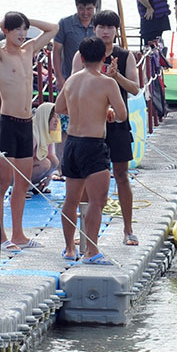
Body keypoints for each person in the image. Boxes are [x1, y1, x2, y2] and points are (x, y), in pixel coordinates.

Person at [0, 12, 57, 250]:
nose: (22, 34)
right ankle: (1, 237)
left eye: (24, 30)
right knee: (4, 183)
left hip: (27, 124)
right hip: (8, 124)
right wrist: (0, 23)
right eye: (17, 30)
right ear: (6, 31)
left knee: (23, 183)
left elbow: (53, 28)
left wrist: (29, 20)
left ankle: (19, 235)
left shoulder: (29, 50)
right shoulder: (0, 56)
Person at [55, 36, 127, 264]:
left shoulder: (72, 80)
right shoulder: (107, 82)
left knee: (71, 199)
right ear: (104, 57)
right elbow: (122, 114)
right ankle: (91, 250)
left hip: (72, 144)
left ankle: (69, 248)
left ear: (82, 57)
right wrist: (107, 113)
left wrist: (83, 111)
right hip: (93, 145)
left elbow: (59, 107)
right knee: (97, 200)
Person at [71, 10, 140, 246]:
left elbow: (135, 88)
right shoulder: (83, 54)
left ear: (116, 31)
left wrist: (116, 76)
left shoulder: (125, 55)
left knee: (121, 175)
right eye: (101, 26)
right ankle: (85, 232)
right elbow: (72, 87)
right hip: (91, 126)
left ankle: (128, 229)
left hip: (117, 123)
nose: (106, 31)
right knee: (85, 179)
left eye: (110, 27)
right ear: (94, 28)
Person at [51, 0, 97, 178]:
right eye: (81, 8)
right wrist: (60, 77)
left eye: (89, 8)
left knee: (91, 124)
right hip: (69, 82)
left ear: (94, 7)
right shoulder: (65, 24)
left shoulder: (99, 24)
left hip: (93, 85)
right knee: (63, 125)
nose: (85, 12)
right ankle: (61, 167)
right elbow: (56, 52)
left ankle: (90, 165)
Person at [30, 101, 60, 195]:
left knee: (54, 160)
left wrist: (49, 177)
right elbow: (24, 160)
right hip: (17, 170)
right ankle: (23, 187)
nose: (56, 120)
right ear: (45, 118)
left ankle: (38, 185)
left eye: (57, 117)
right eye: (53, 117)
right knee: (45, 163)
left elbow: (50, 155)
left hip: (32, 164)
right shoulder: (33, 131)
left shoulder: (46, 131)